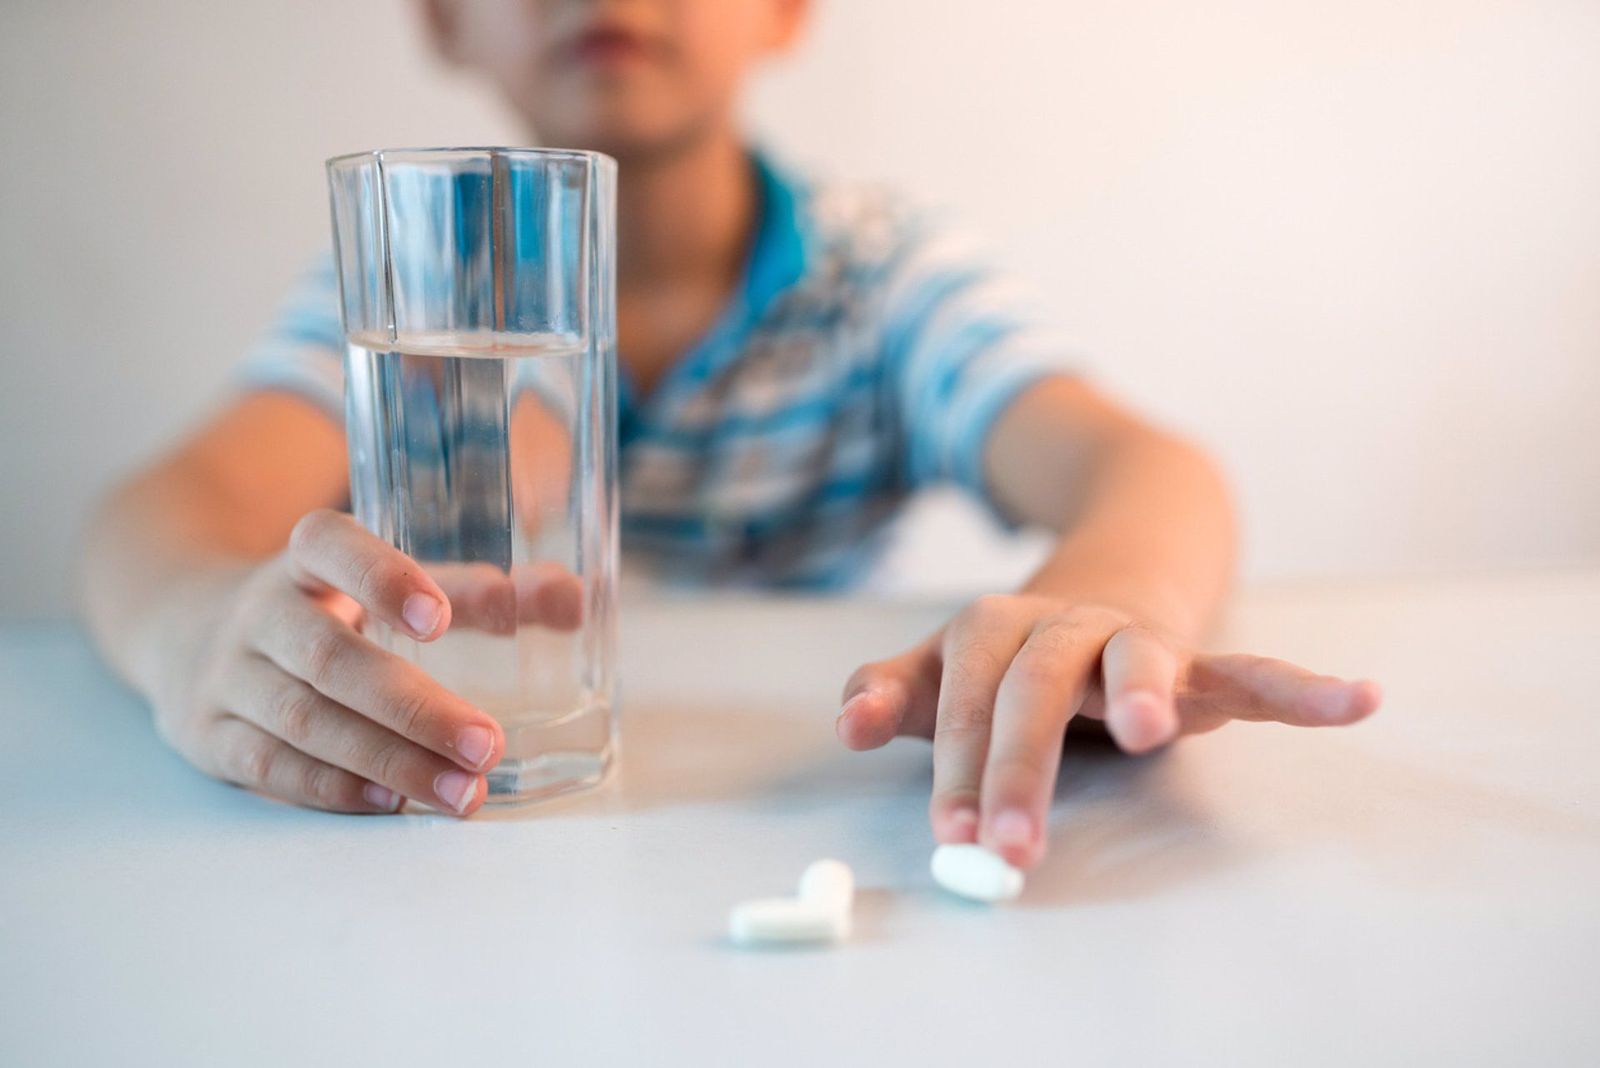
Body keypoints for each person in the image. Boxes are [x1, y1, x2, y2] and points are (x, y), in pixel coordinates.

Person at [79, 0, 1380, 870]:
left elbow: (1147, 470)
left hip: (807, 809)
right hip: (477, 839)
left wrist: (1099, 602)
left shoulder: (881, 277)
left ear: (786, 9)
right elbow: (164, 514)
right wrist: (194, 626)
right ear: (439, 18)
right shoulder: (401, 299)